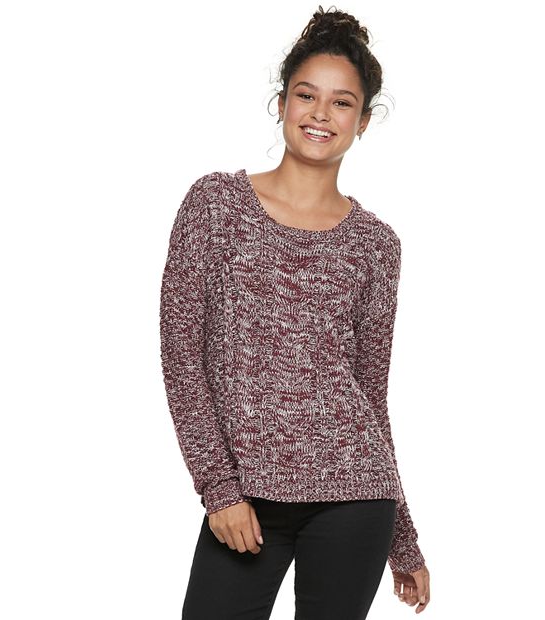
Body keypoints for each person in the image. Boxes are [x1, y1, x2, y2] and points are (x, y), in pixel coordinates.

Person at [159, 5, 431, 619]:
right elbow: (182, 358)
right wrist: (219, 489)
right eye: (307, 95)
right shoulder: (215, 205)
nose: (320, 114)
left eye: (342, 102)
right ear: (282, 103)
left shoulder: (377, 245)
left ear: (363, 121)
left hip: (356, 497)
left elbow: (369, 396)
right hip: (245, 497)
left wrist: (403, 540)